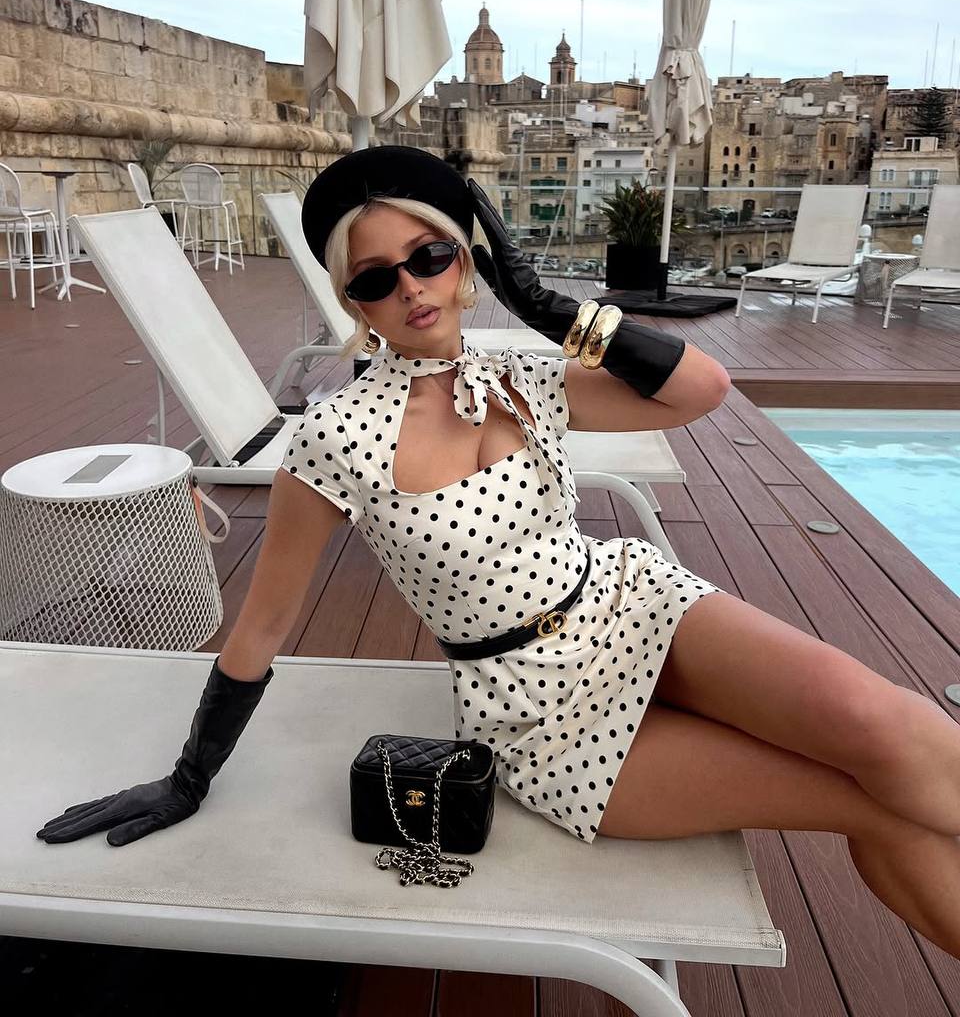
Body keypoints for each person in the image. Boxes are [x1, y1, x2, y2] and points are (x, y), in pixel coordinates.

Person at [37, 147, 960, 958]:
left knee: (889, 728)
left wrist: (549, 307)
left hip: (631, 605)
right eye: (376, 279)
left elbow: (703, 390)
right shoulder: (336, 435)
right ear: (354, 302)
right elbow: (266, 620)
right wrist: (190, 776)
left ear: (464, 262)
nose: (411, 288)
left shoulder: (523, 378)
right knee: (868, 802)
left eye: (430, 257)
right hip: (535, 710)